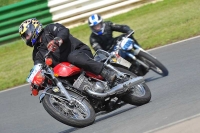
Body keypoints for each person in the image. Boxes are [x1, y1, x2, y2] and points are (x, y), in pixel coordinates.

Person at [19, 18, 116, 86]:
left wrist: (57, 40)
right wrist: (35, 81)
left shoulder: (49, 30)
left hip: (79, 52)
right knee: (55, 79)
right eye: (24, 37)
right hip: (66, 69)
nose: (27, 38)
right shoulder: (36, 53)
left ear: (34, 28)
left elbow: (63, 31)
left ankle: (105, 72)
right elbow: (38, 66)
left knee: (72, 56)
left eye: (27, 34)